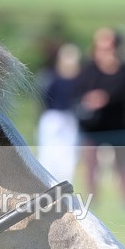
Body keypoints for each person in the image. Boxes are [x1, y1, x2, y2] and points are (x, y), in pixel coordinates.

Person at [74, 27, 125, 209]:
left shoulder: (123, 70)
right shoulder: (89, 69)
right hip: (93, 126)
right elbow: (78, 91)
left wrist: (105, 98)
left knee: (123, 167)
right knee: (91, 168)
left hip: (118, 126)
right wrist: (89, 98)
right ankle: (92, 204)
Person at [36, 43, 81, 182]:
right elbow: (42, 97)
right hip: (52, 117)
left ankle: (65, 186)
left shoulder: (78, 79)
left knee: (68, 155)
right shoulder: (50, 76)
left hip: (69, 118)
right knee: (47, 154)